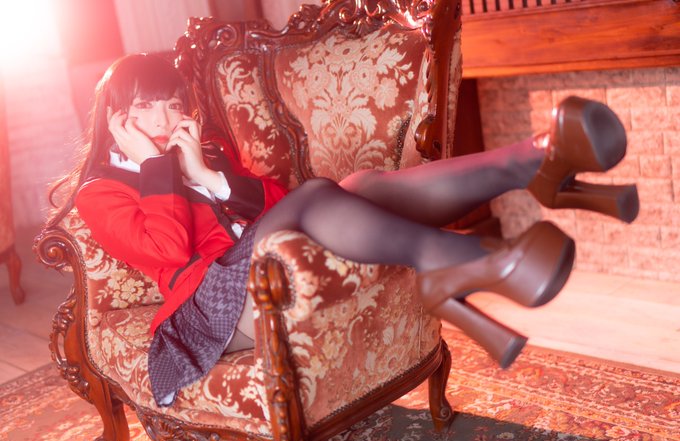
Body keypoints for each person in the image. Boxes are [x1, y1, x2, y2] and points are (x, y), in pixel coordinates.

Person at [49, 53, 638, 407]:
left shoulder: (202, 150)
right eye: (149, 108)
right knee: (328, 191)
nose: (168, 118)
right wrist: (158, 169)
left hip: (264, 267)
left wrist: (209, 177)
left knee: (361, 184)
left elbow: (283, 206)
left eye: (174, 104)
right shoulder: (102, 191)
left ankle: (533, 161)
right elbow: (166, 249)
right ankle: (477, 242)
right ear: (119, 119)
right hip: (210, 315)